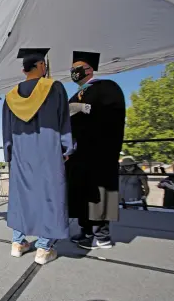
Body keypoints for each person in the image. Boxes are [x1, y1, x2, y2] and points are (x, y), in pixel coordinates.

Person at [2, 47, 74, 265]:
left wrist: (9, 155)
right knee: (50, 197)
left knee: (22, 197)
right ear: (42, 66)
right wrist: (67, 148)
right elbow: (64, 122)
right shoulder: (55, 88)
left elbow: (7, 132)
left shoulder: (10, 96)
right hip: (48, 152)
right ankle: (43, 248)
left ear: (24, 70)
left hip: (22, 156)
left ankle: (17, 243)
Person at [66, 51, 126, 250]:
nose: (74, 71)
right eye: (72, 68)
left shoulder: (107, 88)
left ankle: (102, 235)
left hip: (100, 152)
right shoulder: (75, 95)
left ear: (89, 69)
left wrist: (84, 108)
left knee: (100, 191)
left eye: (78, 67)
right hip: (79, 154)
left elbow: (112, 115)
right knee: (81, 191)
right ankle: (85, 231)